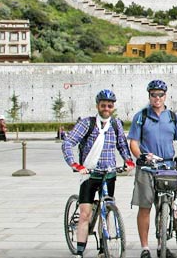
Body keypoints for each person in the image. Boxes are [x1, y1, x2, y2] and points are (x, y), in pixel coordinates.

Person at [61, 89, 135, 258]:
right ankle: (80, 250)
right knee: (85, 213)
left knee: (107, 210)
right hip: (90, 173)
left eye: (109, 105)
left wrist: (128, 161)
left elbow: (122, 145)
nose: (106, 108)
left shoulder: (116, 125)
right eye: (103, 105)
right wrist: (74, 164)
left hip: (108, 174)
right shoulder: (86, 124)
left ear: (113, 107)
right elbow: (67, 143)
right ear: (97, 106)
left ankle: (104, 248)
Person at [128, 79, 177, 258]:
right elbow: (133, 143)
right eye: (153, 95)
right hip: (146, 168)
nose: (157, 98)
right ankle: (145, 247)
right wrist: (140, 156)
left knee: (164, 206)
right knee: (145, 207)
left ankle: (161, 245)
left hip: (167, 166)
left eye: (160, 94)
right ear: (149, 96)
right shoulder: (140, 116)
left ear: (166, 96)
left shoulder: (173, 118)